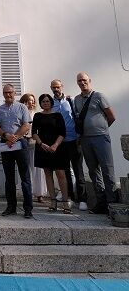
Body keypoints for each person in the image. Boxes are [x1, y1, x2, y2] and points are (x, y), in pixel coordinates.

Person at [74, 72, 117, 214]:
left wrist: (101, 129)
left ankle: (112, 204)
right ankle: (101, 202)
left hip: (100, 138)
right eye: (79, 81)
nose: (82, 82)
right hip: (86, 139)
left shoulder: (99, 96)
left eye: (84, 80)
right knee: (93, 171)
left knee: (107, 170)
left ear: (89, 80)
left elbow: (111, 117)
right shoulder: (77, 99)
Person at [0, 84, 33, 218]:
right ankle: (11, 206)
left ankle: (28, 208)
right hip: (5, 143)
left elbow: (26, 125)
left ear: (14, 93)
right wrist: (6, 136)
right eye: (5, 93)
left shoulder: (22, 107)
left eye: (10, 92)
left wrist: (15, 137)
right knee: (9, 177)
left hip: (20, 143)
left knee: (25, 177)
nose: (8, 95)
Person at [50, 79, 87, 211]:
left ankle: (82, 199)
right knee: (65, 171)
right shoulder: (50, 103)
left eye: (57, 87)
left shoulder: (70, 101)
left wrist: (79, 136)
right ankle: (70, 196)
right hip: (60, 142)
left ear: (62, 87)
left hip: (73, 140)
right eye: (53, 87)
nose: (56, 89)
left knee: (78, 170)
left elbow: (77, 116)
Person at [31, 94, 71, 214]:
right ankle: (53, 201)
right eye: (43, 101)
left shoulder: (58, 115)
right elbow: (34, 132)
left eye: (48, 101)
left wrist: (55, 145)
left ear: (51, 103)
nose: (45, 103)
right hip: (43, 147)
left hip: (57, 147)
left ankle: (65, 202)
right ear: (41, 103)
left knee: (60, 174)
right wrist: (41, 144)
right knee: (47, 174)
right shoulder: (37, 116)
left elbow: (62, 132)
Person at [19, 93, 48, 203]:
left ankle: (39, 193)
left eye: (32, 100)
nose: (30, 102)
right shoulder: (20, 113)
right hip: (24, 143)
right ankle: (28, 193)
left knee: (38, 169)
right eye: (27, 101)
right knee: (26, 168)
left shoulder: (37, 114)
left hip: (36, 143)